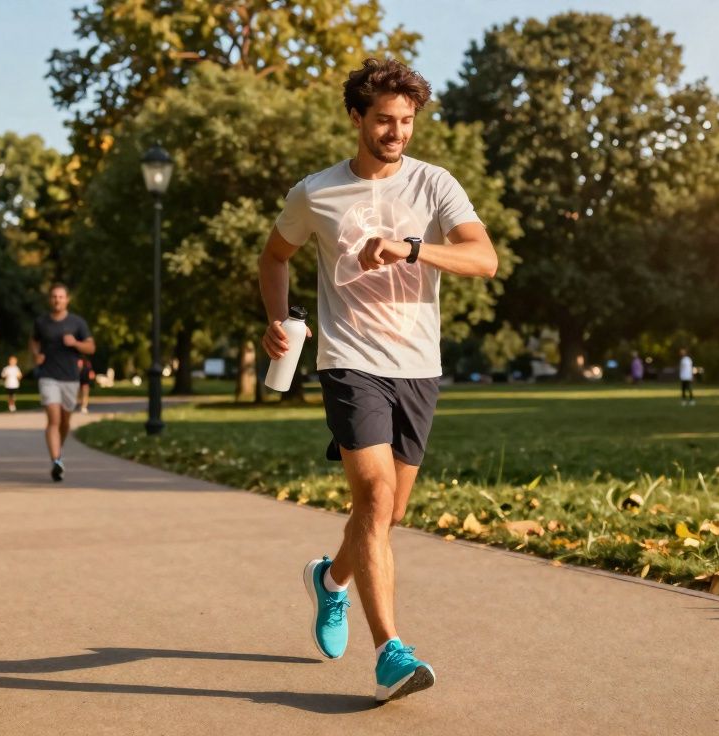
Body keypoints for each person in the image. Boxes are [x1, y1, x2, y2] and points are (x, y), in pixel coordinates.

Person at [258, 58, 498, 703]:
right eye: (385, 120)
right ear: (356, 118)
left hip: (417, 366)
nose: (397, 132)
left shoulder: (435, 184)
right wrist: (279, 320)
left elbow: (484, 259)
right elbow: (274, 256)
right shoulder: (315, 193)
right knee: (372, 496)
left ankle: (329, 580)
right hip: (348, 360)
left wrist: (411, 248)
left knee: (388, 513)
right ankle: (391, 652)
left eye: (407, 121)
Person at [31, 284, 95, 482]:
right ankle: (56, 461)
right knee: (54, 419)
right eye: (54, 296)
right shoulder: (41, 322)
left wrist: (75, 343)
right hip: (48, 376)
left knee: (65, 421)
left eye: (61, 297)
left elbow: (91, 347)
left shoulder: (77, 322)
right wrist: (36, 355)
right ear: (50, 299)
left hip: (70, 378)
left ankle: (59, 449)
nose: (57, 300)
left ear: (67, 299)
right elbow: (33, 341)